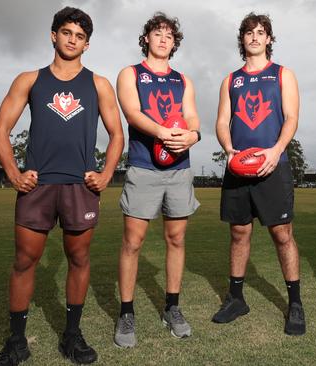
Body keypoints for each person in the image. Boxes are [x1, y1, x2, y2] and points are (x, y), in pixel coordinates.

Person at [0, 7, 124, 365]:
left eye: (79, 36)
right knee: (24, 261)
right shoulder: (30, 80)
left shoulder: (98, 84)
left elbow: (116, 135)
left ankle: (71, 335)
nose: (72, 40)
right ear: (54, 35)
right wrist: (14, 173)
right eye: (66, 33)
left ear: (87, 44)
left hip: (80, 187)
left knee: (79, 258)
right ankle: (17, 342)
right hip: (38, 187)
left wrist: (107, 174)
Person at [212, 12, 305, 336]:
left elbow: (291, 117)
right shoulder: (230, 80)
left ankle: (294, 303)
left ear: (269, 39)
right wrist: (228, 150)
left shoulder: (283, 75)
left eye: (260, 32)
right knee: (239, 233)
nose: (254, 37)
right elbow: (223, 121)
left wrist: (276, 150)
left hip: (272, 166)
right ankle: (236, 298)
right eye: (249, 32)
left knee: (282, 234)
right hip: (239, 167)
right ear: (242, 39)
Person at [114, 12, 201, 348]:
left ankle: (172, 308)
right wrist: (165, 133)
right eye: (158, 33)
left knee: (176, 238)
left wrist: (192, 135)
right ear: (146, 38)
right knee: (133, 242)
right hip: (143, 166)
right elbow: (133, 113)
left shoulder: (183, 80)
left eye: (169, 35)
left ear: (174, 43)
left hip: (179, 169)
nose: (164, 39)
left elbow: (192, 115)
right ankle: (126, 312)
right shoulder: (130, 74)